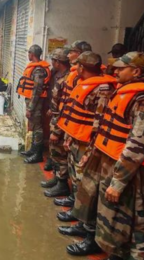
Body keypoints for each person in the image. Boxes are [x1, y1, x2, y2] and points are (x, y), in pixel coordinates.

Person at [89, 52, 144, 260]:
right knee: (118, 220)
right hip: (120, 167)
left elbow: (137, 145)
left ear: (136, 71)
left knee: (134, 222)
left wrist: (117, 182)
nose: (115, 71)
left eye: (120, 68)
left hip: (135, 173)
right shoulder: (127, 94)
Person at [55, 51, 117, 256]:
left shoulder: (103, 90)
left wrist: (89, 152)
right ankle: (81, 222)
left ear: (82, 67)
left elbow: (99, 125)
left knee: (88, 191)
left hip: (89, 148)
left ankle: (90, 236)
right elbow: (77, 115)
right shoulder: (83, 85)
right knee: (80, 186)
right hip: (78, 141)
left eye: (77, 65)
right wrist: (70, 136)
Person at [53, 40, 92, 209]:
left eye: (72, 52)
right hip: (69, 126)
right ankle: (65, 189)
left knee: (80, 172)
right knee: (68, 163)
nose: (69, 55)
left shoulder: (89, 83)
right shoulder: (73, 75)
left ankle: (78, 207)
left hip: (81, 133)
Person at [41, 48, 71, 192]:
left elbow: (65, 107)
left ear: (59, 62)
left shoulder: (68, 79)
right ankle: (57, 177)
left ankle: (62, 184)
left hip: (60, 123)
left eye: (54, 60)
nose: (52, 63)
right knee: (54, 152)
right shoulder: (58, 75)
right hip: (55, 118)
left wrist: (57, 130)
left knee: (60, 153)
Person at [17, 45, 51, 164]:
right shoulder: (35, 67)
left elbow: (37, 90)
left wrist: (30, 108)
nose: (28, 55)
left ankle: (38, 154)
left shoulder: (38, 70)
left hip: (35, 102)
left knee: (37, 127)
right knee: (33, 124)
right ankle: (32, 149)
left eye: (29, 53)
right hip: (32, 101)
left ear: (32, 54)